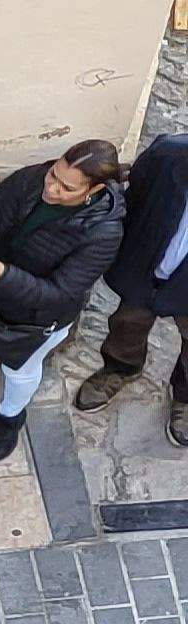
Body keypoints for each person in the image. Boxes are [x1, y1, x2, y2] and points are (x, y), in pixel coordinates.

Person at [0, 141, 131, 464]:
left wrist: (1, 274)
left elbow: (59, 293)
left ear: (95, 190)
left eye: (66, 187)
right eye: (53, 175)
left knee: (19, 370)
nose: (51, 188)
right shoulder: (33, 178)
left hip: (38, 318)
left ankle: (10, 417)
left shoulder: (104, 232)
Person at [75, 133, 188, 444]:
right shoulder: (167, 156)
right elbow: (133, 199)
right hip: (147, 268)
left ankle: (186, 396)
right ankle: (121, 368)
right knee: (127, 323)